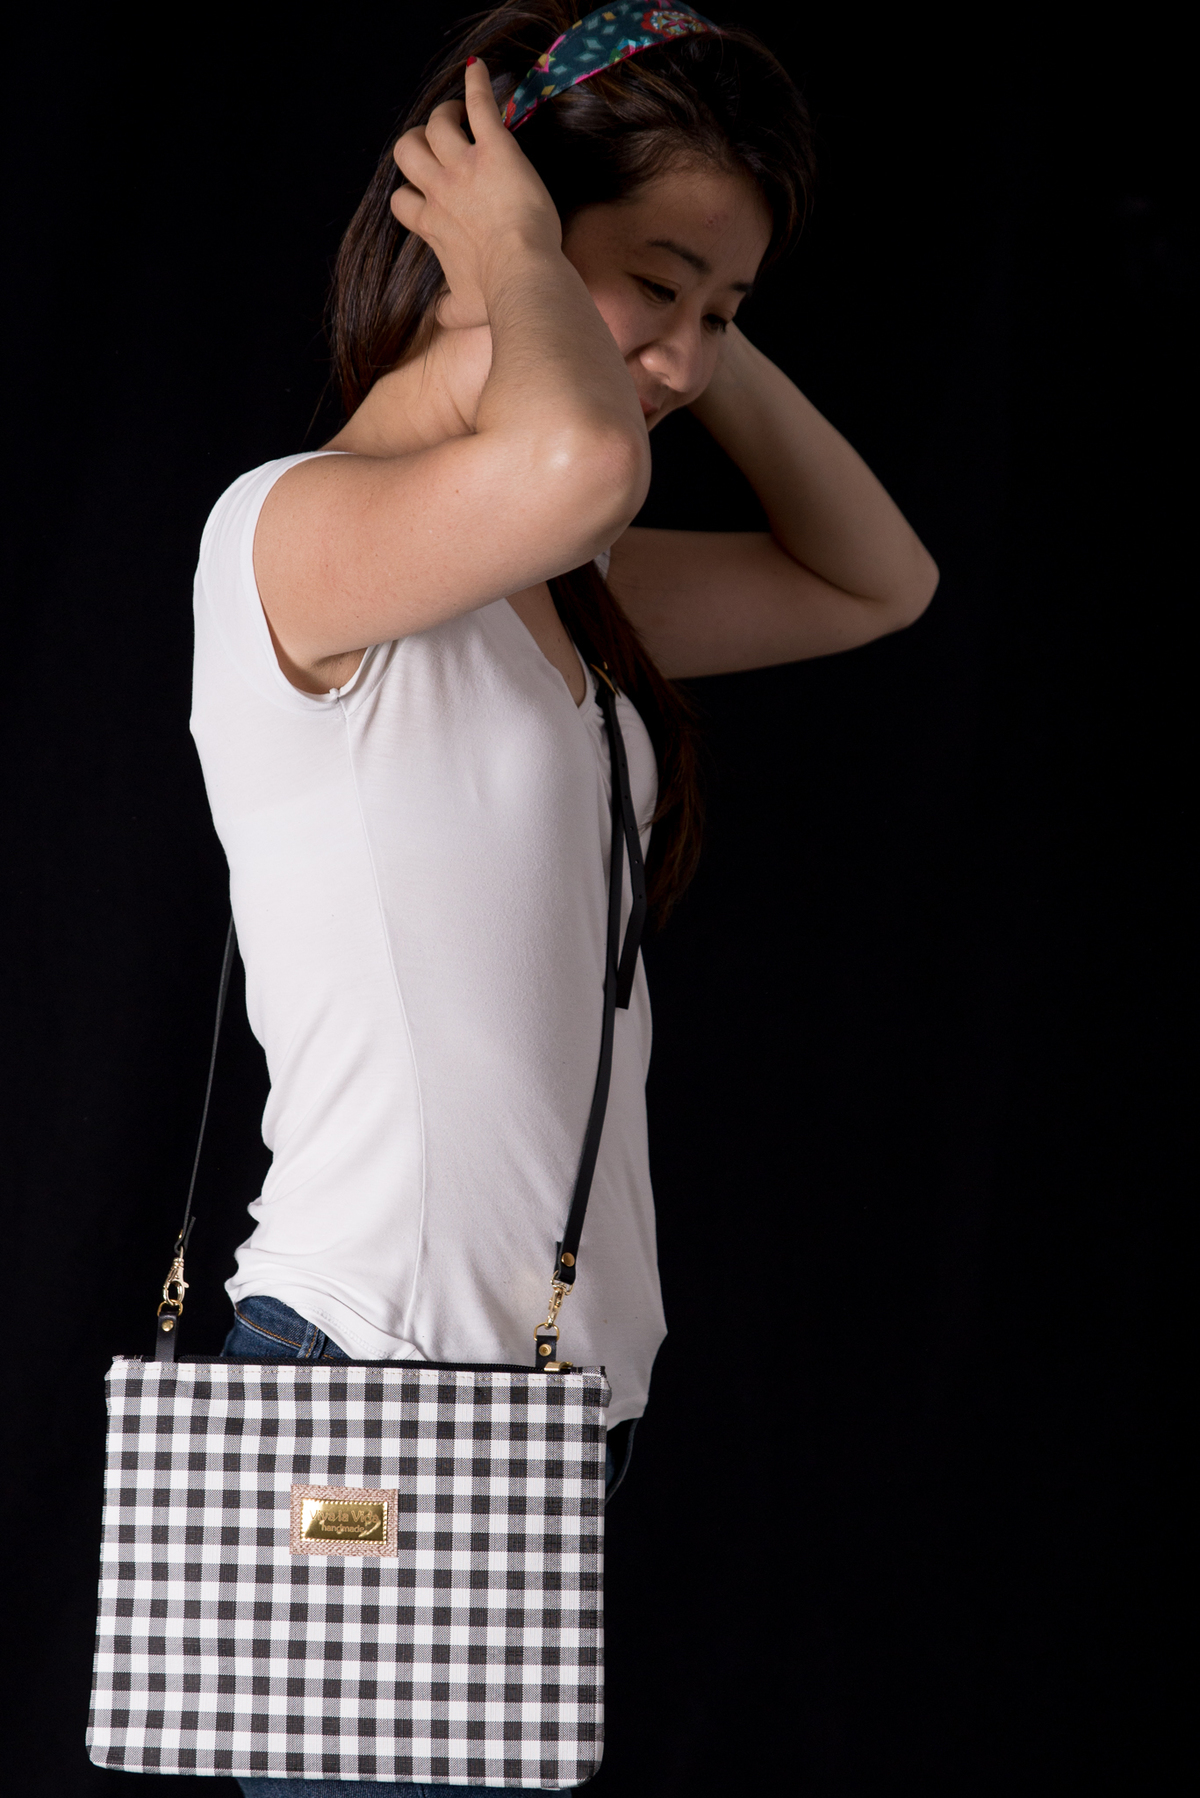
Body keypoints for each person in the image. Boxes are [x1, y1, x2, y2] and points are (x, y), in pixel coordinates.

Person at [191, 4, 938, 1792]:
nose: (679, 358)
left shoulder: (565, 591)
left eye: (727, 308)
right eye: (653, 283)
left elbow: (877, 582)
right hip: (372, 1378)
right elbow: (585, 461)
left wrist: (680, 330)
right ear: (506, 225)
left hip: (540, 1408)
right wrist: (523, 256)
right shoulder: (296, 529)